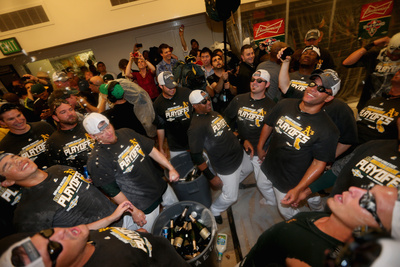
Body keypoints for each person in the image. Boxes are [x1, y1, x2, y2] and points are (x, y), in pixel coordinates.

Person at [238, 184, 399, 267]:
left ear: (377, 233)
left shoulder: (313, 260)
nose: (353, 188)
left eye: (368, 201)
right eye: (367, 189)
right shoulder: (332, 218)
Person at [257, 70, 340, 219]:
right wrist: (260, 147)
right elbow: (269, 124)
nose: (312, 89)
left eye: (321, 89)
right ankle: (274, 201)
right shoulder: (285, 104)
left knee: (286, 211)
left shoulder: (328, 129)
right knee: (262, 184)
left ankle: (313, 217)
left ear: (328, 98)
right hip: (269, 164)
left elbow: (318, 164)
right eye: (313, 84)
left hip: (291, 178)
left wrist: (299, 188)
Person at [84, 113, 179, 232]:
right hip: (142, 204)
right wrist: (134, 211)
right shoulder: (97, 161)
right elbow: (114, 192)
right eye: (101, 133)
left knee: (177, 213)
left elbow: (151, 151)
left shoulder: (126, 133)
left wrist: (170, 167)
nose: (108, 133)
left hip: (160, 186)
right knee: (152, 235)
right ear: (92, 136)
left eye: (108, 127)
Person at [0, 153, 123, 233]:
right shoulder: (27, 215)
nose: (18, 162)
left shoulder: (57, 168)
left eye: (15, 157)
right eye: (8, 166)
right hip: (104, 244)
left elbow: (89, 189)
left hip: (124, 217)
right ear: (7, 182)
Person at [188, 90, 253, 224]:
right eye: (203, 101)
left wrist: (242, 139)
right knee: (231, 197)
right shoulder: (196, 128)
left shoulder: (213, 113)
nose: (208, 102)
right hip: (226, 164)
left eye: (208, 99)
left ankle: (231, 184)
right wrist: (211, 177)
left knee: (249, 168)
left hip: (238, 154)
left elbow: (228, 130)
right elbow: (196, 156)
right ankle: (215, 209)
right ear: (194, 105)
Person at [0, 225, 190, 267]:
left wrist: (137, 239)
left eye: (46, 234)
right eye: (53, 249)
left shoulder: (81, 243)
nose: (60, 233)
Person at [224, 70, 276, 204]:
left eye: (259, 81)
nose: (254, 83)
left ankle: (273, 201)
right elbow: (225, 120)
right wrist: (238, 138)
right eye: (253, 79)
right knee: (242, 169)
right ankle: (233, 186)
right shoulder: (239, 99)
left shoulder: (272, 106)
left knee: (263, 183)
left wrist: (268, 150)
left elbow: (277, 132)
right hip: (242, 146)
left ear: (267, 84)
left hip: (260, 151)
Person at [343, 32, 400, 111]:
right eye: (390, 53)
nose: (393, 56)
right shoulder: (377, 55)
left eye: (397, 54)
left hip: (392, 108)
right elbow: (347, 63)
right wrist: (373, 44)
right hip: (368, 104)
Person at [46, 99, 95, 173]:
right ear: (56, 118)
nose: (69, 113)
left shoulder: (88, 125)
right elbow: (58, 170)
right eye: (63, 112)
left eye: (70, 109)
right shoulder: (53, 141)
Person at [0, 103, 54, 169]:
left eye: (19, 115)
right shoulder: (5, 146)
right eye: (11, 119)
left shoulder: (43, 126)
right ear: (2, 123)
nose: (18, 121)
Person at [153, 71, 193, 158]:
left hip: (195, 139)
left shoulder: (186, 93)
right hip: (176, 146)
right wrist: (161, 148)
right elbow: (160, 127)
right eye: (169, 87)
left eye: (173, 86)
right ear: (160, 86)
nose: (172, 89)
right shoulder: (158, 104)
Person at [356, 69, 400, 144]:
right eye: (398, 71)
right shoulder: (374, 100)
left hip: (376, 149)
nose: (398, 73)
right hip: (350, 142)